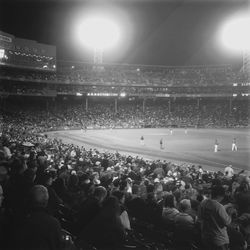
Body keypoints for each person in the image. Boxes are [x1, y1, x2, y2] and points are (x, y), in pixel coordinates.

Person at [199, 185, 231, 250]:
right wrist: (230, 213)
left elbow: (200, 218)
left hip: (206, 236)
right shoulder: (218, 206)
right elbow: (227, 222)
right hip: (218, 239)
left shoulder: (203, 202)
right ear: (219, 196)